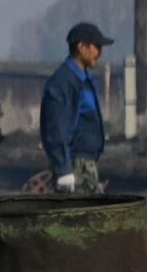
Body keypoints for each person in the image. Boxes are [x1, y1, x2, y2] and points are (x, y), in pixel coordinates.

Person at [40, 21, 112, 194]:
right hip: (74, 165)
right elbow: (56, 128)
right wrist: (64, 170)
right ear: (81, 47)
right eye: (96, 46)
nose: (100, 53)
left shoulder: (82, 81)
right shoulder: (64, 82)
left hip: (85, 166)